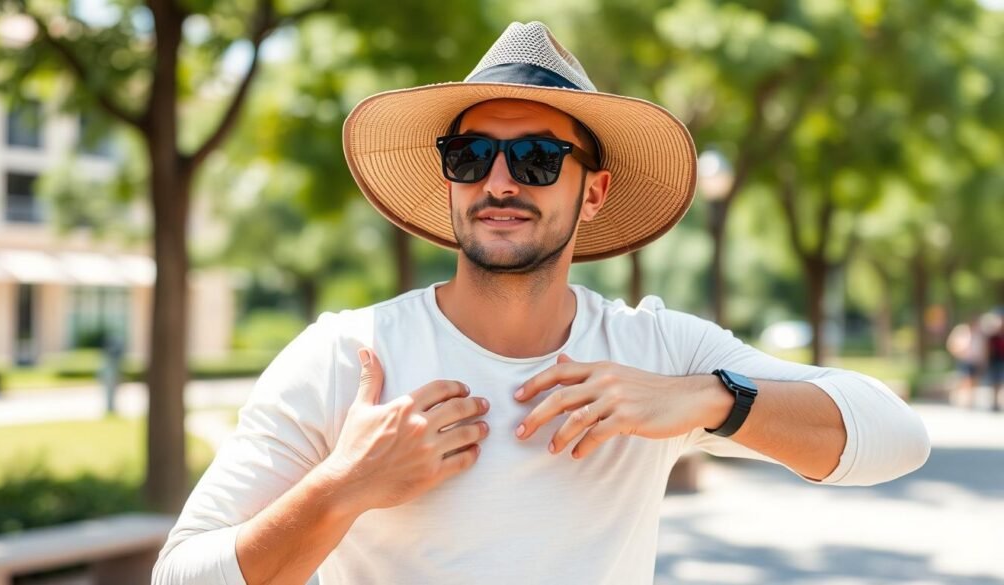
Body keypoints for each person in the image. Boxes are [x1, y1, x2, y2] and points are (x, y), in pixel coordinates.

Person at [152, 22, 930, 585]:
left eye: (535, 157)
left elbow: (897, 437)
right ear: (450, 179)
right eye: (470, 155)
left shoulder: (656, 353)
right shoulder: (350, 358)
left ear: (593, 191)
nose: (498, 181)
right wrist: (345, 485)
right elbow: (181, 574)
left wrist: (704, 398)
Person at [946, 316, 986, 408]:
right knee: (966, 380)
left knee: (974, 380)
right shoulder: (961, 330)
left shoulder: (979, 332)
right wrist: (958, 352)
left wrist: (983, 360)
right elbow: (951, 344)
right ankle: (965, 400)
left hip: (975, 360)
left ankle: (970, 399)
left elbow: (983, 347)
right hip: (964, 359)